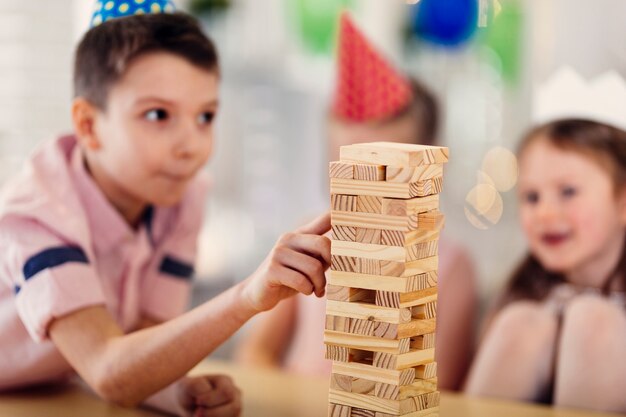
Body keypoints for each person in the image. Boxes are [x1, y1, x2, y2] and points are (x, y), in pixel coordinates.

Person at [0, 3, 331, 416]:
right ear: (88, 126)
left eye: (205, 116)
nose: (191, 145)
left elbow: (143, 341)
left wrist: (178, 394)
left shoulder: (182, 197)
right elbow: (107, 367)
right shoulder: (38, 213)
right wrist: (247, 296)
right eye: (158, 114)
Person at [234, 12, 478, 392]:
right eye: (347, 167)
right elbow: (256, 352)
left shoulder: (449, 263)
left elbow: (444, 384)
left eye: (385, 170)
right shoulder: (311, 241)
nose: (366, 188)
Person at [464, 119, 626, 413]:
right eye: (531, 197)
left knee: (594, 320)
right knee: (520, 322)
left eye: (568, 192)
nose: (545, 212)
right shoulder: (522, 297)